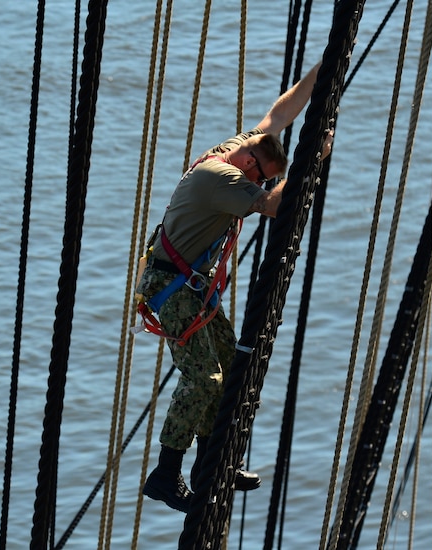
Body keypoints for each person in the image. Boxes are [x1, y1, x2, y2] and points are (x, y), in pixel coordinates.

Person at [136, 62, 333, 513]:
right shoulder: (224, 178)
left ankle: (213, 464)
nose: (258, 181)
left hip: (190, 287)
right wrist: (313, 158)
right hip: (171, 285)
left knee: (231, 369)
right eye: (259, 174)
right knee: (203, 377)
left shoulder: (238, 150)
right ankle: (165, 475)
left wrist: (320, 74)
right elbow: (272, 205)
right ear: (248, 164)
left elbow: (277, 117)